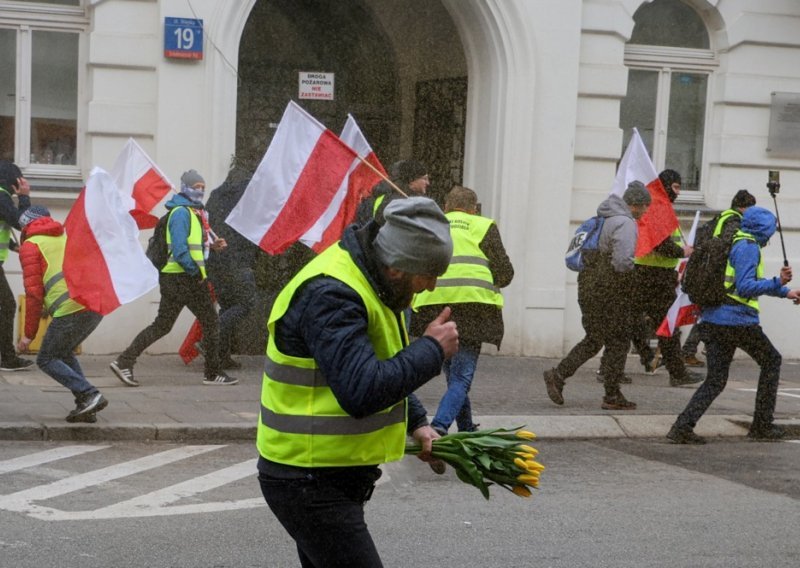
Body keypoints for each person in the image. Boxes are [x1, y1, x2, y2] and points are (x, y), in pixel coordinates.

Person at [257, 197, 458, 567]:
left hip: (324, 476)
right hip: (307, 479)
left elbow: (380, 361)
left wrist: (417, 423)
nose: (431, 286)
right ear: (398, 268)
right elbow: (362, 389)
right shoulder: (332, 293)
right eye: (427, 274)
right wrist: (431, 350)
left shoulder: (375, 282)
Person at [667, 206, 800, 444]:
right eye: (771, 229)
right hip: (737, 321)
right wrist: (778, 280)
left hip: (714, 319)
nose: (771, 235)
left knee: (716, 379)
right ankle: (762, 425)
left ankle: (682, 427)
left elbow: (742, 281)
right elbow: (746, 286)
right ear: (763, 229)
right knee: (772, 361)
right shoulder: (748, 247)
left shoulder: (734, 241)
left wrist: (786, 292)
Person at [110, 170, 238, 386]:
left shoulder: (193, 213)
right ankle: (212, 373)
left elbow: (192, 246)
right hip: (185, 278)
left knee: (163, 325)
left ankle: (124, 361)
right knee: (210, 321)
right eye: (195, 186)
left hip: (178, 278)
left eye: (202, 187)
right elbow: (179, 250)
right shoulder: (181, 213)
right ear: (184, 187)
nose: (200, 191)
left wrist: (213, 247)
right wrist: (196, 272)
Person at [411, 185, 514, 434]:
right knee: (461, 377)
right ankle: (439, 427)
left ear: (445, 206)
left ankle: (466, 427)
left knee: (454, 374)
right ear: (473, 208)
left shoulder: (433, 225)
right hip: (473, 307)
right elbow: (505, 273)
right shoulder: (483, 226)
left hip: (432, 307)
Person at [542, 181, 651, 410]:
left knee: (595, 337)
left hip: (588, 286)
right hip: (610, 289)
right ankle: (611, 395)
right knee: (619, 339)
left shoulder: (601, 219)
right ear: (636, 205)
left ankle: (559, 375)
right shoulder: (625, 223)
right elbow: (622, 262)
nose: (645, 212)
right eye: (644, 207)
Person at [16, 206, 107, 423]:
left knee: (46, 358)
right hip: (94, 305)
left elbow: (34, 294)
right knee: (63, 352)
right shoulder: (65, 236)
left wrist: (28, 334)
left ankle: (89, 394)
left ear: (26, 226)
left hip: (71, 309)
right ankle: (86, 403)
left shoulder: (31, 246)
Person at [631, 169, 702, 386]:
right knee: (667, 325)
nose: (679, 193)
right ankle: (678, 374)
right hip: (657, 276)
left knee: (630, 320)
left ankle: (637, 360)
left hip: (642, 271)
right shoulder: (660, 206)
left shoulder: (651, 205)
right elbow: (661, 244)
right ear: (667, 185)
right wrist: (683, 252)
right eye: (676, 187)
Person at [681, 189, 757, 367]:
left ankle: (699, 349)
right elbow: (727, 247)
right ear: (742, 207)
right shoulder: (734, 221)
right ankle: (694, 350)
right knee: (709, 314)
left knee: (707, 313)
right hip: (716, 276)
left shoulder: (720, 218)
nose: (753, 213)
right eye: (751, 208)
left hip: (706, 273)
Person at [205, 166, 259, 369]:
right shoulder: (247, 195)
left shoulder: (216, 195)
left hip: (216, 260)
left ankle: (222, 355)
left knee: (227, 306)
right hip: (237, 259)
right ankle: (210, 339)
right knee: (246, 303)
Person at [0, 160, 34, 371]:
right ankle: (7, 358)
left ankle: (7, 357)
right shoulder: (2, 196)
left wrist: (14, 247)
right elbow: (23, 222)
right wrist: (24, 197)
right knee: (8, 305)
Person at [355, 159, 430, 226]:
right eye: (424, 179)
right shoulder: (398, 202)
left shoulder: (391, 196)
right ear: (411, 181)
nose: (428, 183)